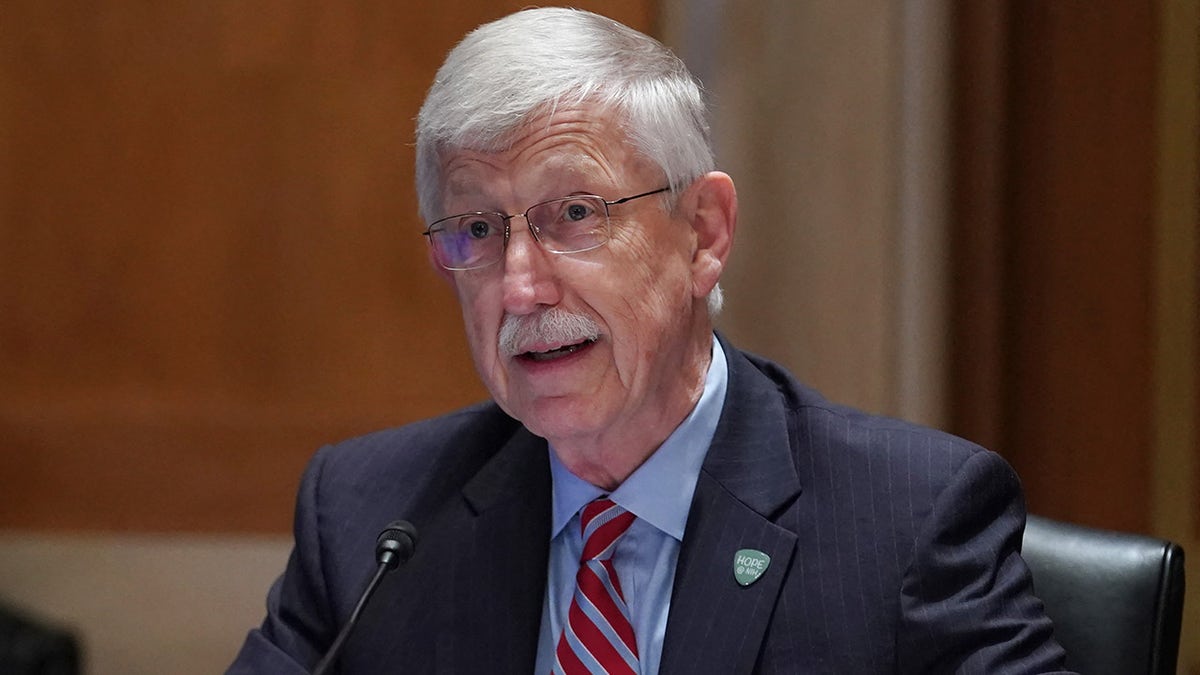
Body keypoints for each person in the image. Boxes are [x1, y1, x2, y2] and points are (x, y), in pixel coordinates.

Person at [229, 7, 1072, 674]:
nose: (521, 284)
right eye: (479, 228)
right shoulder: (372, 520)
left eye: (575, 214)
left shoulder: (906, 522)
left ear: (703, 233)